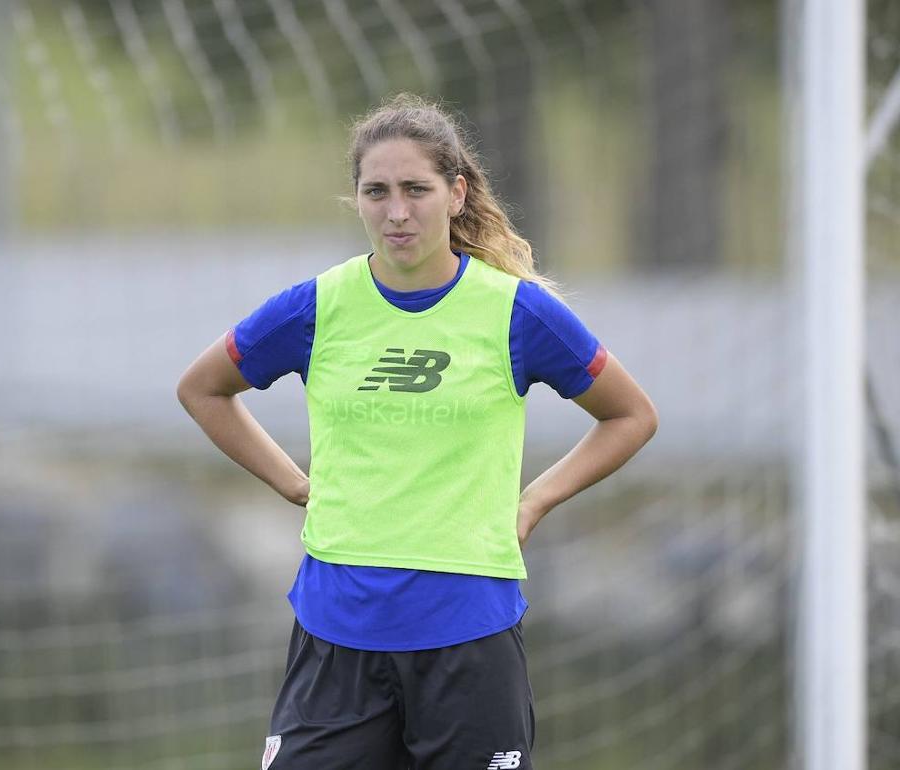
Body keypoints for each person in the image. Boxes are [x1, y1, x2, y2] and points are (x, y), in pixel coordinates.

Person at [176, 93, 657, 770]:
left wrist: (534, 500)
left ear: (456, 193)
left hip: (469, 635)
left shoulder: (516, 312)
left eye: (416, 190)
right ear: (357, 200)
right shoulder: (316, 306)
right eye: (376, 191)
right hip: (336, 634)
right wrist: (292, 483)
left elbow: (630, 416)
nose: (396, 212)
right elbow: (202, 389)